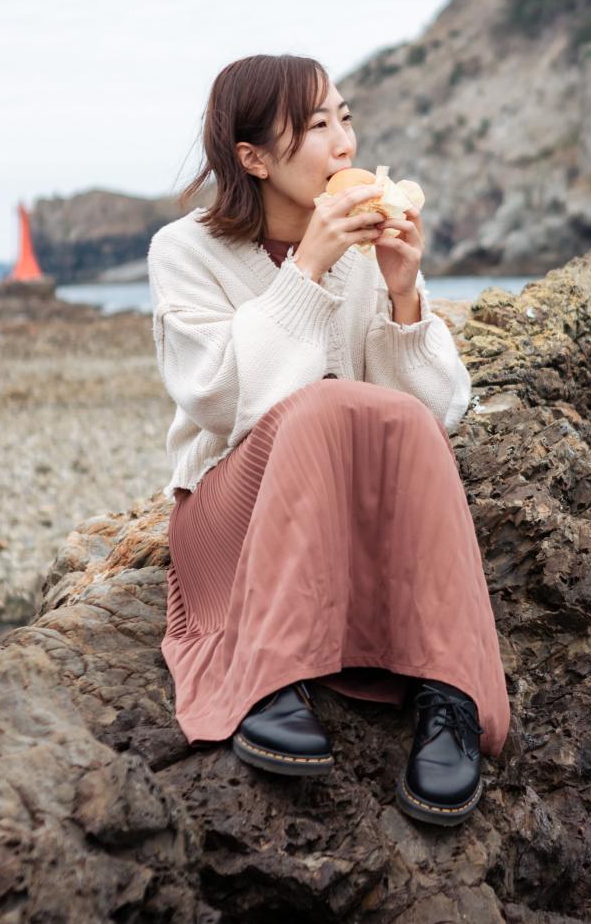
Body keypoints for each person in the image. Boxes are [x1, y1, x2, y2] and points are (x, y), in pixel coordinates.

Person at [145, 52, 511, 826]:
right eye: (315, 127)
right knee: (317, 406)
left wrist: (404, 293)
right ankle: (266, 678)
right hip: (229, 513)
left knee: (395, 416)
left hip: (340, 517)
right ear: (252, 158)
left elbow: (425, 418)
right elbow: (222, 404)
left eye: (344, 117)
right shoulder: (183, 252)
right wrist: (307, 267)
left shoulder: (364, 248)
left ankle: (450, 694)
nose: (343, 143)